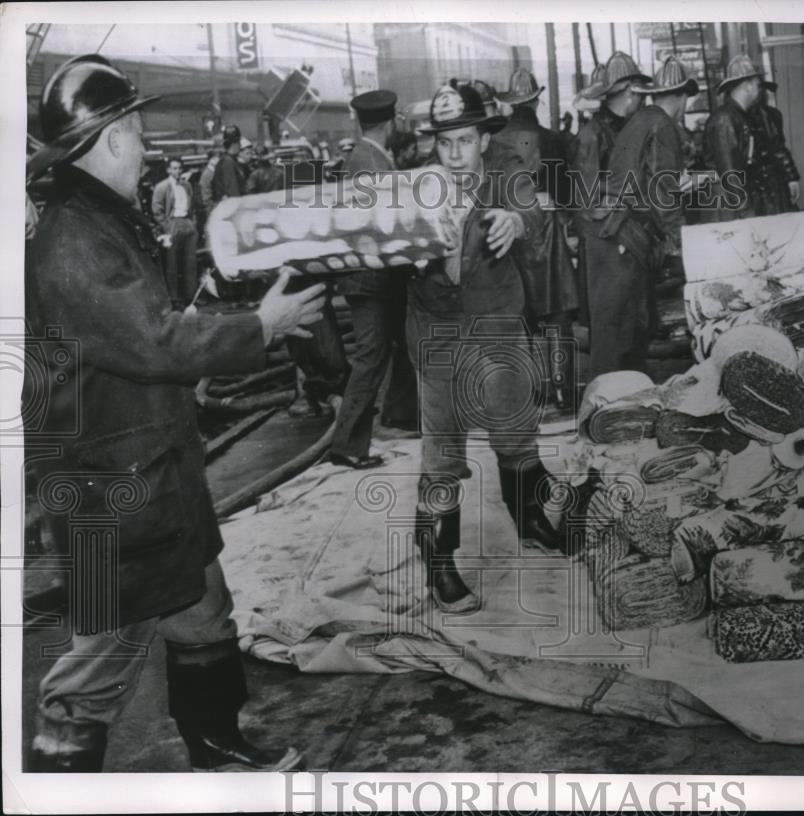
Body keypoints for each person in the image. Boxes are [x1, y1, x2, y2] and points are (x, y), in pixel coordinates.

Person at [23, 54, 326, 772]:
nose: (146, 144)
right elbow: (154, 340)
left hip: (148, 475)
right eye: (136, 127)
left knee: (202, 606)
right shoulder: (72, 241)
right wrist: (263, 327)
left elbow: (142, 332)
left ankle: (216, 744)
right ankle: (55, 775)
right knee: (104, 651)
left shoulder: (99, 222)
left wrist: (216, 306)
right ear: (115, 137)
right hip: (109, 492)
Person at [410, 82, 565, 613]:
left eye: (464, 141)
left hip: (498, 316)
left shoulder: (505, 171)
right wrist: (400, 246)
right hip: (437, 324)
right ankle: (438, 563)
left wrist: (515, 220)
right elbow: (374, 237)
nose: (454, 155)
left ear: (483, 139)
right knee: (443, 447)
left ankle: (531, 521)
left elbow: (536, 212)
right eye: (445, 142)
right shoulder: (417, 184)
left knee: (516, 426)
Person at [325, 89, 419, 470]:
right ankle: (347, 444)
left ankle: (400, 415)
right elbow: (384, 225)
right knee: (370, 357)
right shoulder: (371, 163)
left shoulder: (366, 157)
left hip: (372, 278)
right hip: (371, 279)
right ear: (391, 121)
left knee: (398, 344)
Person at [588, 56, 699, 377]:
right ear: (680, 98)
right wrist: (683, 243)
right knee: (620, 335)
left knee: (624, 330)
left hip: (613, 235)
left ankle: (619, 403)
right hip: (621, 237)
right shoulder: (663, 125)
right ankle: (608, 410)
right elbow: (663, 195)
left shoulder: (643, 119)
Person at [493, 68, 577, 408]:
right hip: (547, 228)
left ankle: (530, 391)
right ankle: (564, 392)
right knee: (558, 313)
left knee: (521, 311)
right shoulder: (552, 139)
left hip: (510, 230)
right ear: (536, 101)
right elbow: (566, 191)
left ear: (512, 104)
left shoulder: (496, 141)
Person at [568, 52, 650, 342]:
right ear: (629, 91)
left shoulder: (628, 129)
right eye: (639, 94)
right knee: (610, 333)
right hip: (609, 244)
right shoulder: (592, 136)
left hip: (630, 239)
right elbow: (589, 201)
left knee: (634, 328)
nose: (642, 101)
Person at [702, 54, 764, 222]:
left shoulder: (736, 116)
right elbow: (730, 172)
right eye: (757, 85)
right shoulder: (726, 119)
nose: (759, 90)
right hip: (730, 209)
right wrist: (745, 212)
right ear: (748, 85)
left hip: (731, 204)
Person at [746, 79, 801, 215]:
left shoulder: (770, 115)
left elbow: (778, 147)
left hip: (768, 184)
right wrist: (791, 177)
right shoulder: (738, 115)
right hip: (762, 185)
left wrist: (791, 178)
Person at [152, 158, 199, 306]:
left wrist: (193, 222)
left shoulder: (187, 186)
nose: (177, 171)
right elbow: (157, 209)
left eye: (179, 168)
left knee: (190, 262)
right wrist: (166, 226)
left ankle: (190, 297)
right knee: (172, 263)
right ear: (168, 170)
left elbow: (193, 205)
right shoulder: (162, 187)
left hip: (187, 222)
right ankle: (175, 298)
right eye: (174, 168)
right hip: (172, 223)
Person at [211, 124, 245, 201]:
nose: (241, 145)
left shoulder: (229, 160)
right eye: (239, 142)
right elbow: (233, 191)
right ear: (235, 143)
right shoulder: (228, 162)